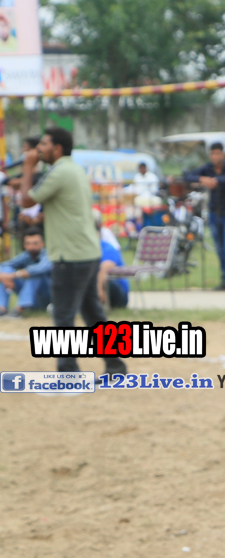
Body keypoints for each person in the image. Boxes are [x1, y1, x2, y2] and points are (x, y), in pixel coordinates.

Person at [16, 128, 126, 374]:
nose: (38, 149)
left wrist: (28, 167)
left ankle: (68, 372)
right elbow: (66, 208)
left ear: (57, 148)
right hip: (87, 252)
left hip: (70, 256)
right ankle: (115, 365)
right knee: (93, 315)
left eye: (43, 144)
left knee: (63, 316)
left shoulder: (59, 172)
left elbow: (26, 200)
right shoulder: (73, 169)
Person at [192, 141, 225, 290]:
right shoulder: (207, 168)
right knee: (220, 249)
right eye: (213, 154)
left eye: (218, 153)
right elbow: (188, 175)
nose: (215, 156)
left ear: (223, 154)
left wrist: (215, 180)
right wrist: (202, 179)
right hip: (214, 214)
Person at [0, 228, 50, 316]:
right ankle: (2, 309)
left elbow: (40, 268)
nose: (31, 247)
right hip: (32, 299)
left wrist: (12, 275)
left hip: (47, 297)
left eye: (35, 243)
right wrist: (4, 277)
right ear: (24, 245)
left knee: (34, 275)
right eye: (28, 243)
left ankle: (18, 310)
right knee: (5, 271)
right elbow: (4, 265)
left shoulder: (48, 255)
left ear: (42, 244)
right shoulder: (26, 255)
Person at [98, 236, 129, 309]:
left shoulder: (108, 248)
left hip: (120, 294)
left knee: (105, 279)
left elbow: (104, 268)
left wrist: (99, 290)